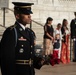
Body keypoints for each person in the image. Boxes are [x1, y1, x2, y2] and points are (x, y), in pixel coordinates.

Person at [0, 2, 44, 75]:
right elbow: (7, 60)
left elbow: (28, 55)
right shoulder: (11, 32)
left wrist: (40, 61)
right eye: (26, 14)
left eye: (29, 14)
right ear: (17, 16)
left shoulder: (30, 32)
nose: (29, 16)